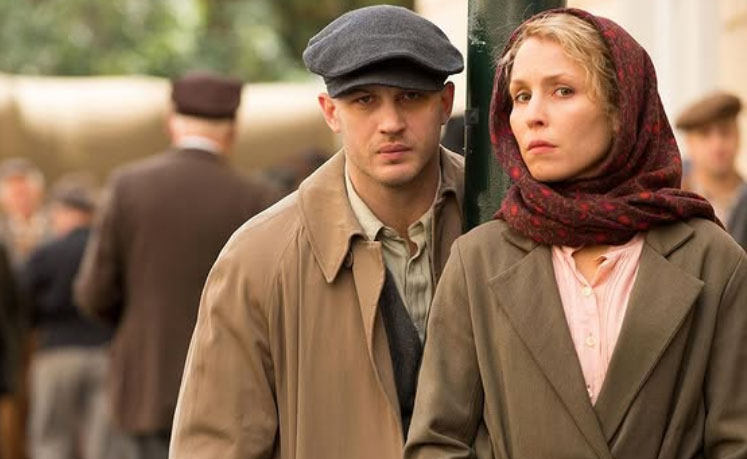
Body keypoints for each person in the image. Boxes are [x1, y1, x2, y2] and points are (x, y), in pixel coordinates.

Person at [405, 8, 747, 458]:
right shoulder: (477, 260)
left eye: (562, 90)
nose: (533, 115)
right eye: (521, 96)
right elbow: (437, 441)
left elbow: (736, 441)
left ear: (622, 106)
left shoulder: (712, 257)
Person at [170, 5, 469, 459]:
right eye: (364, 100)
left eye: (410, 97)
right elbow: (215, 444)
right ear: (331, 112)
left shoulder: (503, 223)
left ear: (445, 103)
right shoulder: (258, 259)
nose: (390, 122)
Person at [74, 72, 279, 459]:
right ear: (232, 131)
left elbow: (94, 292)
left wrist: (139, 326)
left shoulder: (127, 186)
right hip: (231, 388)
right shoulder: (259, 197)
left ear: (171, 123)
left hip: (144, 385)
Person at [23, 177, 125, 459]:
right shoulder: (110, 252)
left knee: (51, 439)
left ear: (63, 212)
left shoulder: (44, 253)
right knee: (103, 443)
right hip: (105, 352)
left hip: (56, 353)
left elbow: (24, 305)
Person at [677, 91, 745, 238]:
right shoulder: (671, 200)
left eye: (725, 132)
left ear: (738, 136)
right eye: (704, 134)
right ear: (689, 143)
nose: (717, 145)